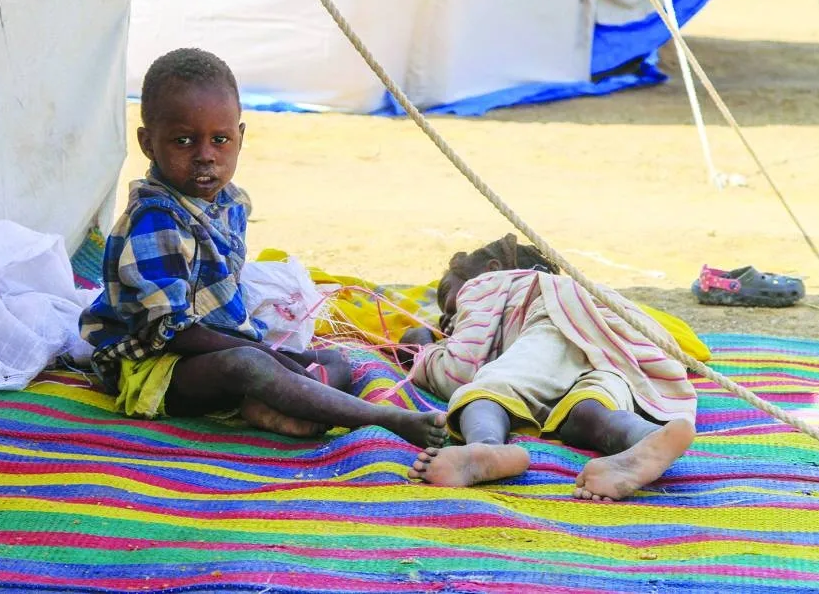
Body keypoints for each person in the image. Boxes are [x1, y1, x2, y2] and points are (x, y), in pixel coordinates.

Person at [80, 47, 446, 448]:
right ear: (148, 143)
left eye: (220, 140)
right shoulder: (154, 220)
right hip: (156, 369)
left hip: (220, 350)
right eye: (183, 141)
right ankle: (383, 418)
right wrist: (270, 356)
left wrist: (279, 357)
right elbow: (172, 333)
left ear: (241, 137)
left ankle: (273, 406)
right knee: (251, 363)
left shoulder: (228, 202)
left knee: (333, 361)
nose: (205, 156)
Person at [399, 235, 696, 500]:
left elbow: (458, 368)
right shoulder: (590, 293)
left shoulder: (488, 284)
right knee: (590, 409)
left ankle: (486, 445)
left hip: (552, 327)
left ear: (491, 268)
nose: (446, 318)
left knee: (490, 388)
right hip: (618, 348)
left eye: (448, 301)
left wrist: (423, 347)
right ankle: (643, 439)